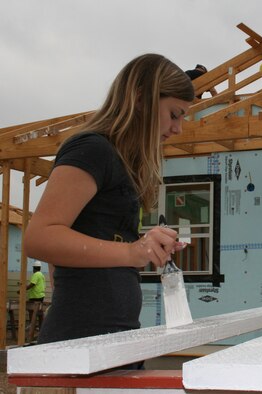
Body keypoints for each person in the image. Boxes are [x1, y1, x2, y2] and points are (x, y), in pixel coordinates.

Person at [24, 54, 194, 362]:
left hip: (112, 340)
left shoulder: (120, 162)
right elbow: (40, 238)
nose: (178, 128)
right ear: (141, 99)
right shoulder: (93, 149)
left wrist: (146, 246)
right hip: (80, 346)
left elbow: (81, 240)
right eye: (174, 114)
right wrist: (133, 252)